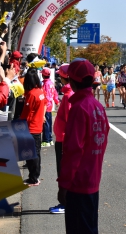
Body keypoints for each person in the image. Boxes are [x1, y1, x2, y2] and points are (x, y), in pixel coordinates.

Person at [57, 58, 109, 234]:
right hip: (92, 178)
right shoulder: (97, 106)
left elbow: (72, 150)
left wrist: (63, 185)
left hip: (77, 182)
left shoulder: (79, 108)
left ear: (71, 80)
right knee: (89, 227)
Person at [49, 64, 73, 214]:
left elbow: (70, 120)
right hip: (61, 138)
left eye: (61, 75)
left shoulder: (69, 95)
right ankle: (65, 202)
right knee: (63, 171)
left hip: (64, 140)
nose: (59, 77)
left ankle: (65, 203)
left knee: (64, 172)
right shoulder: (68, 93)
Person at [20, 68, 46, 186]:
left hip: (30, 126)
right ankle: (34, 176)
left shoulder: (31, 94)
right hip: (37, 125)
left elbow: (26, 112)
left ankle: (34, 178)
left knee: (31, 154)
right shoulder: (40, 91)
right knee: (36, 152)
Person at [41, 67, 59, 147]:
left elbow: (46, 96)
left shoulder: (45, 84)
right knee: (49, 122)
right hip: (50, 104)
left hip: (46, 105)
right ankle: (50, 139)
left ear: (42, 75)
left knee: (46, 123)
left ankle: (46, 140)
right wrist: (56, 101)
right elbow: (55, 93)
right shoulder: (51, 83)